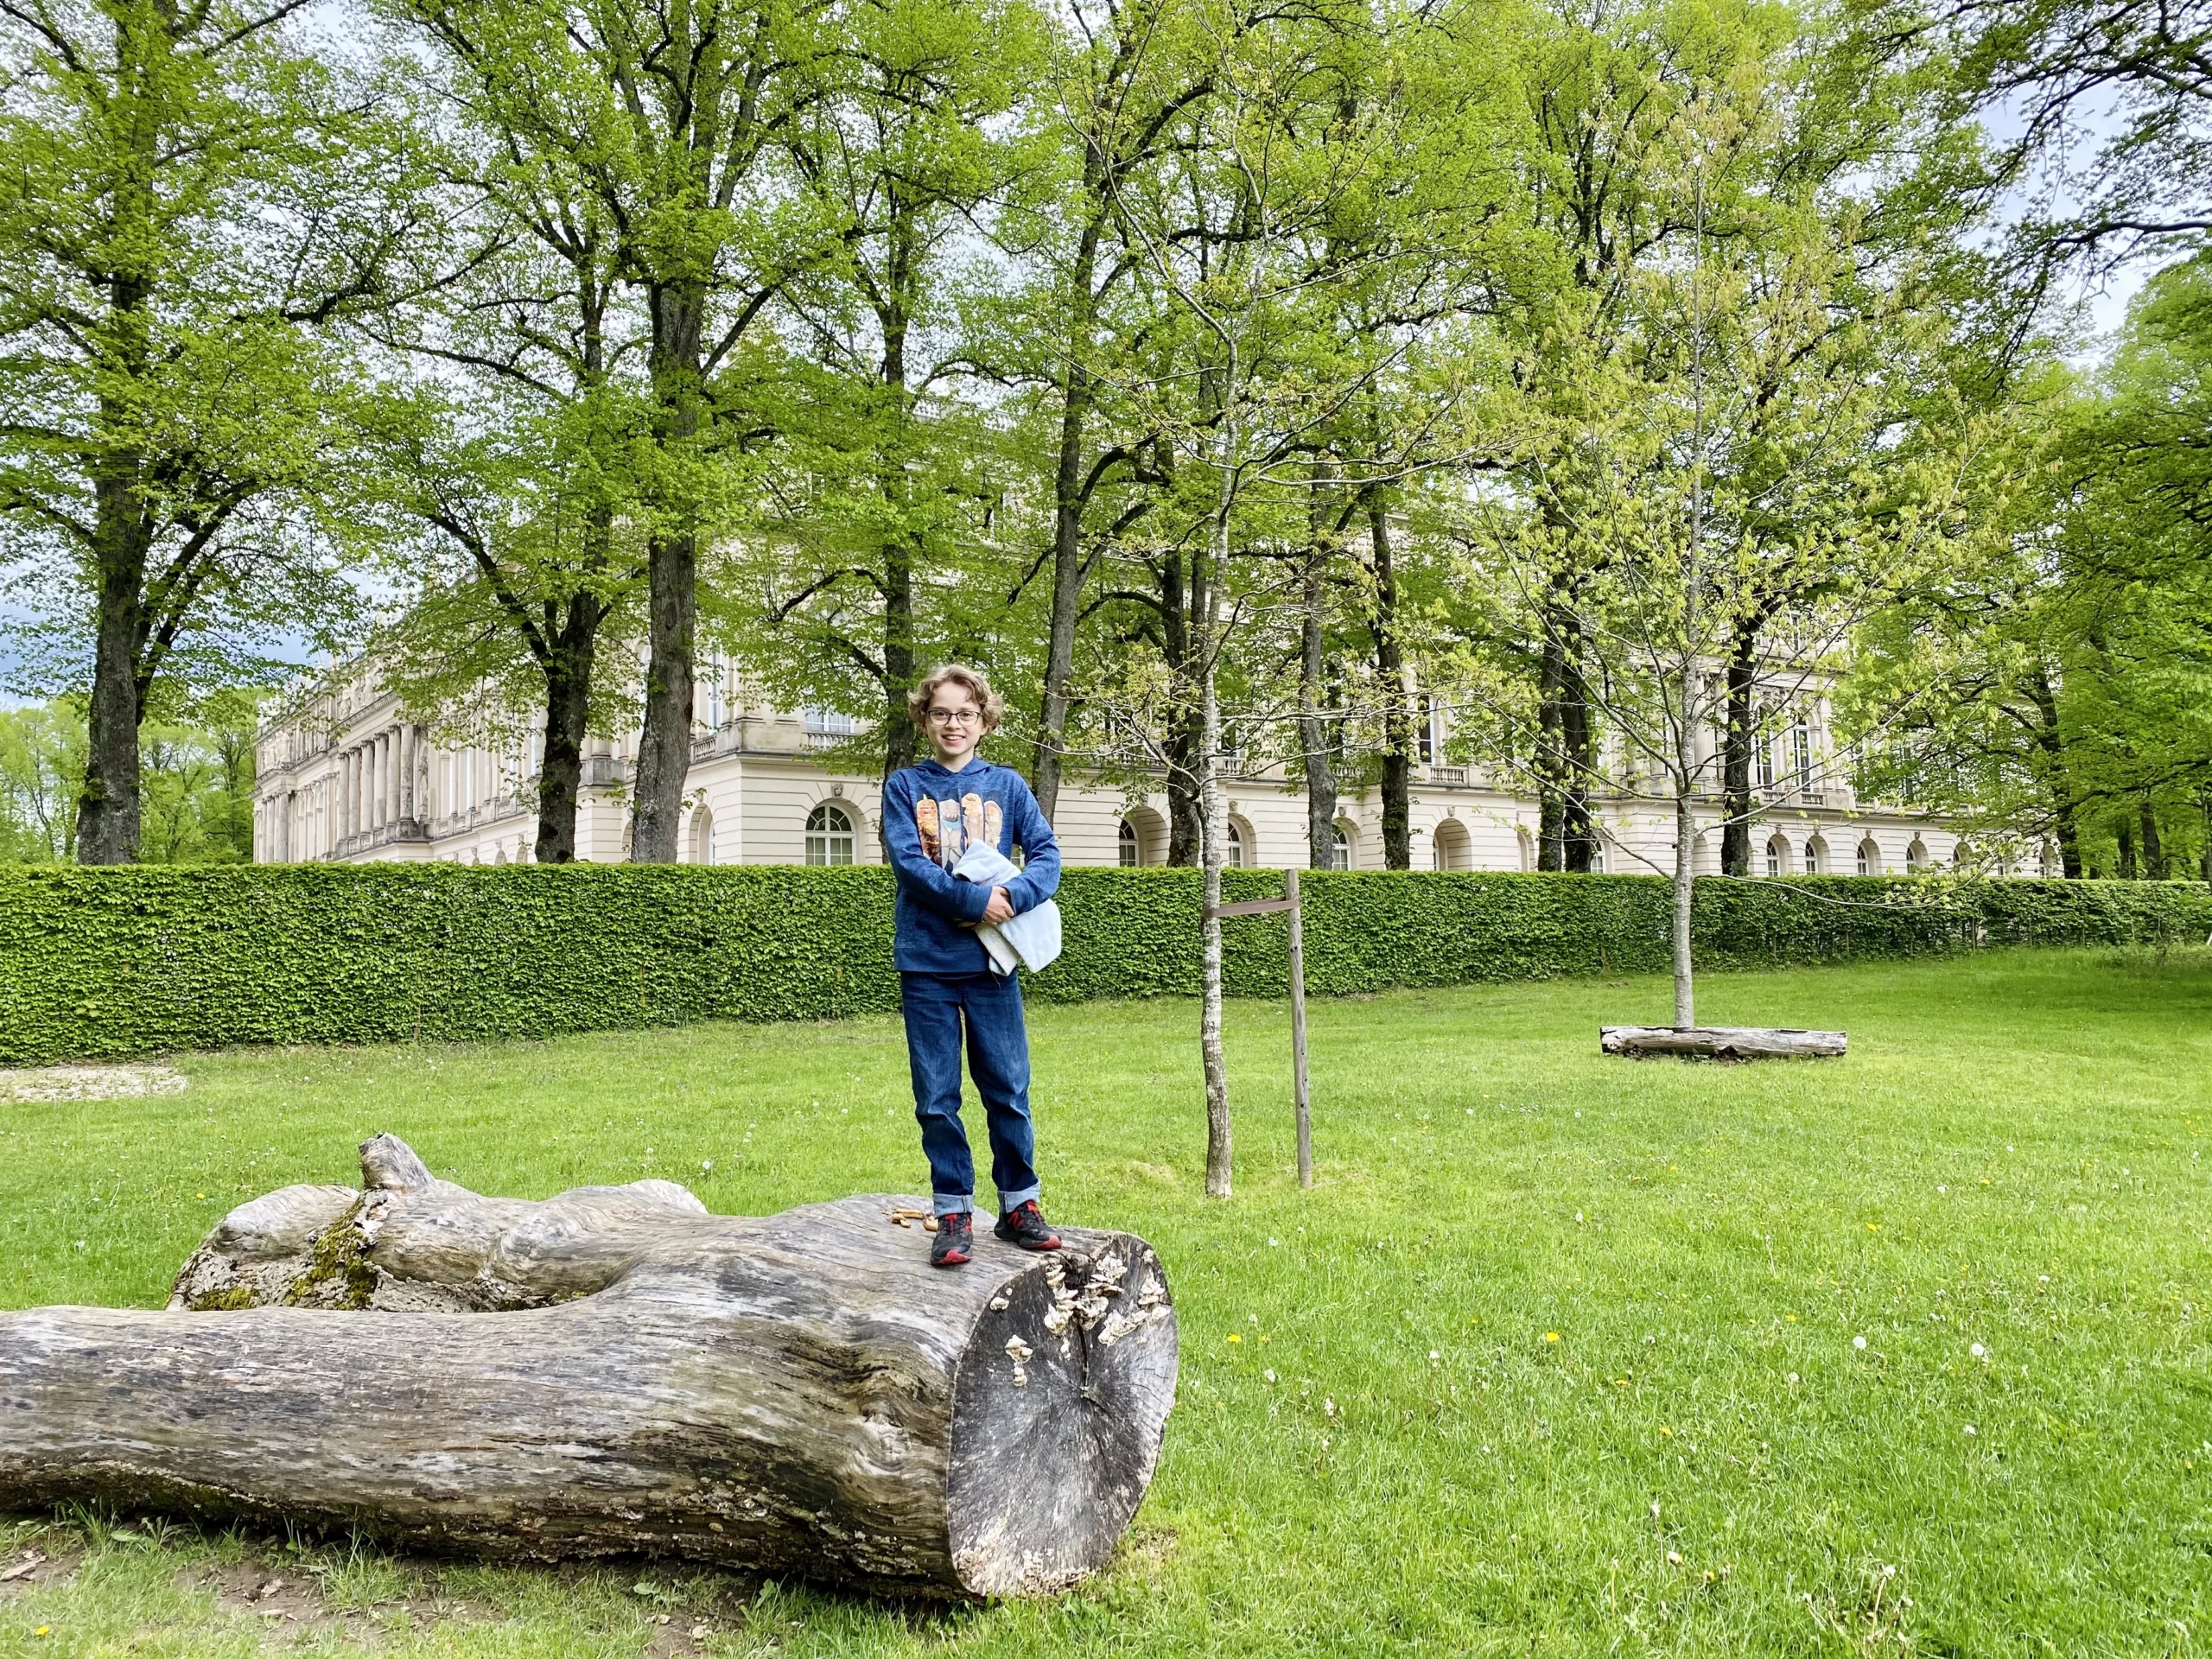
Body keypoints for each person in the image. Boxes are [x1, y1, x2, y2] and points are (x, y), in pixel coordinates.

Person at [880, 664, 1064, 1268]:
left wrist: (1012, 899)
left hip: (993, 964)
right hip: (927, 962)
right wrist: (972, 900)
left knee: (1008, 1089)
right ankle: (954, 1212)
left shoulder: (1007, 786)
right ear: (925, 720)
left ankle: (1019, 1207)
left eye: (965, 713)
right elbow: (910, 864)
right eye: (941, 713)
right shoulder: (905, 786)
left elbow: (1046, 854)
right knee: (936, 1096)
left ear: (984, 720)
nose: (953, 723)